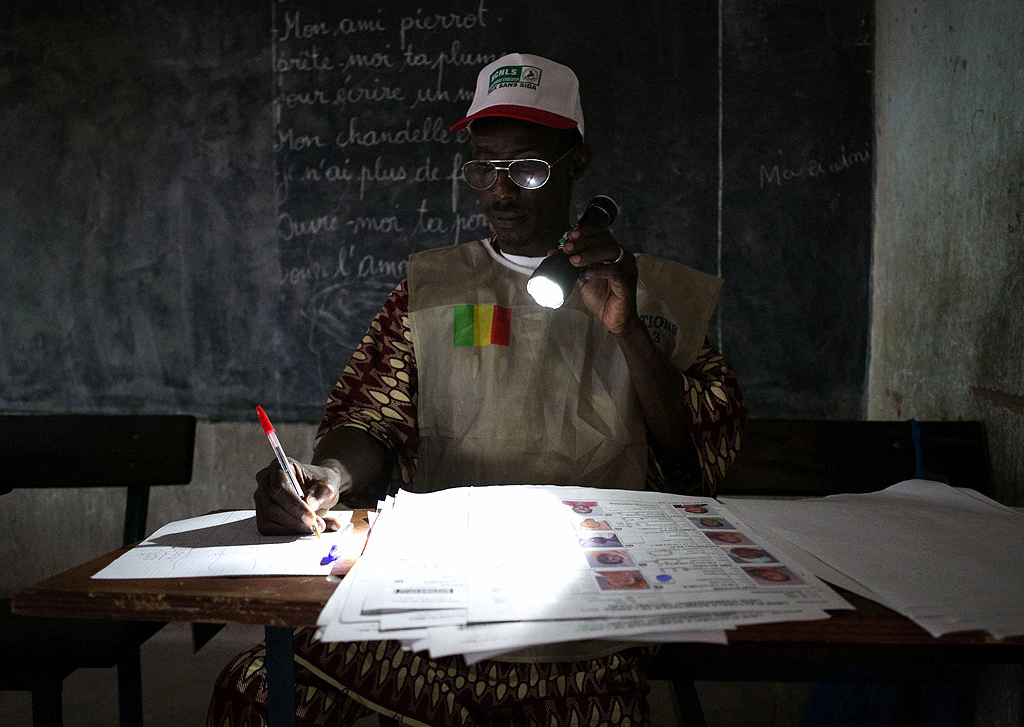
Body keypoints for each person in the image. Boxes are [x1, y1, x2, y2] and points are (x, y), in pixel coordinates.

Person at [208, 53, 745, 727]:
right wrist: (329, 474)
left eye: (526, 168)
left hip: (582, 613)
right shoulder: (435, 293)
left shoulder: (650, 296)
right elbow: (372, 421)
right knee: (259, 693)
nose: (501, 192)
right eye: (484, 169)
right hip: (438, 599)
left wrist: (629, 331)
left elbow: (698, 451)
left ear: (575, 164)